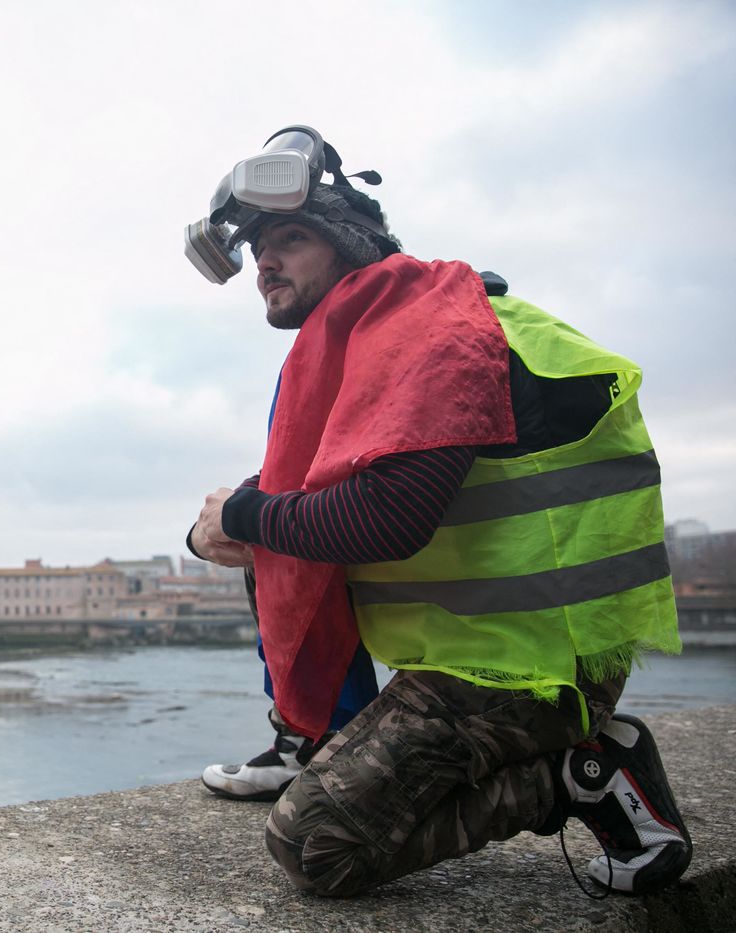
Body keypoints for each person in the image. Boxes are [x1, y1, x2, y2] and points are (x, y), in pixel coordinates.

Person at [181, 125, 690, 897]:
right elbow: (310, 487)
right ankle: (315, 738)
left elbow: (391, 515)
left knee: (315, 843)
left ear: (349, 241)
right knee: (274, 527)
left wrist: (247, 516)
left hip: (531, 663)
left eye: (289, 239)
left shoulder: (431, 327)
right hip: (498, 644)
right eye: (256, 248)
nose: (266, 263)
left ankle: (582, 775)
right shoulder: (379, 332)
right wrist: (225, 524)